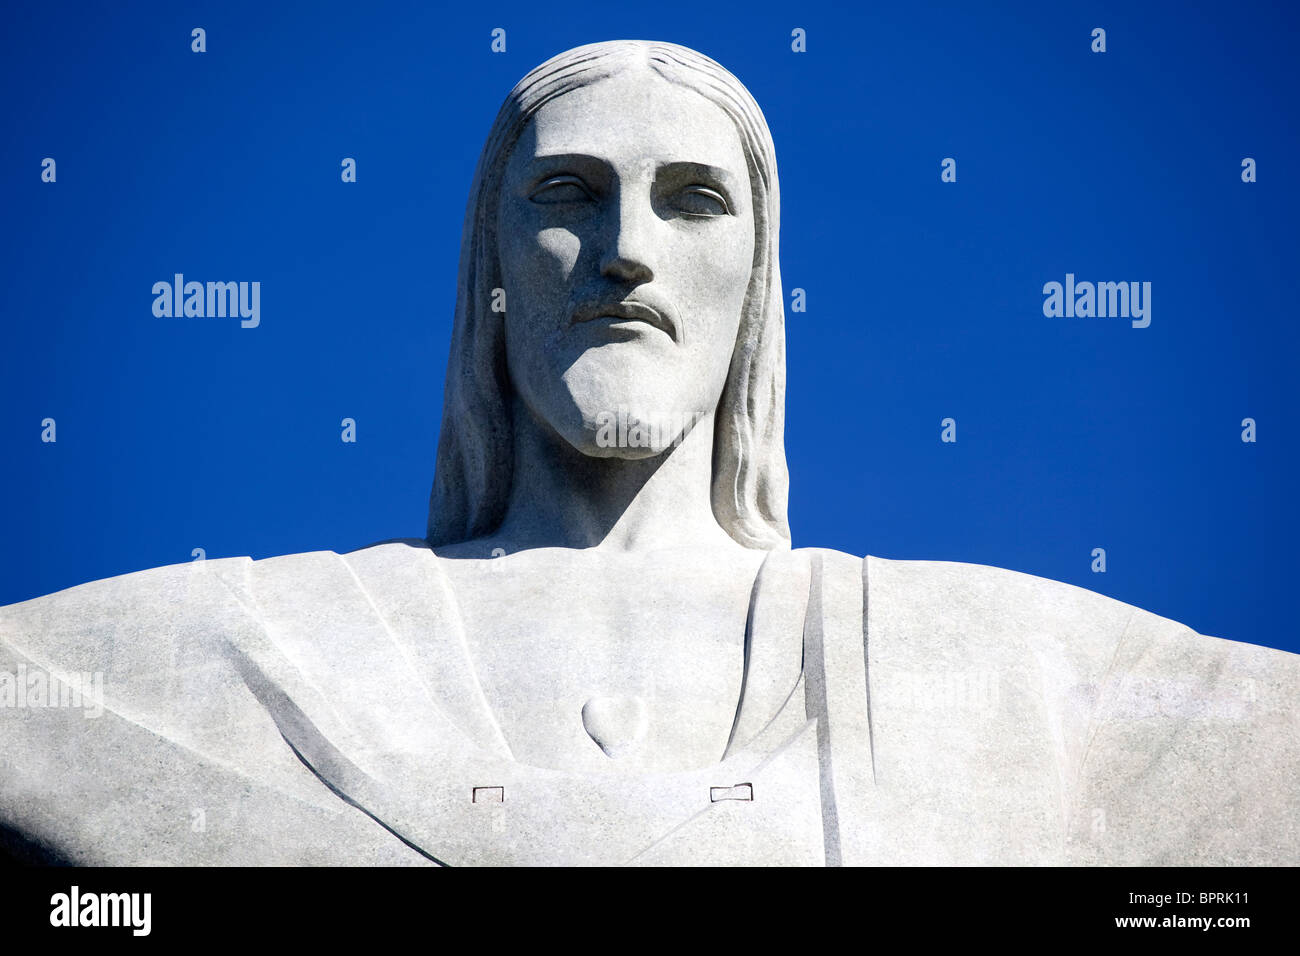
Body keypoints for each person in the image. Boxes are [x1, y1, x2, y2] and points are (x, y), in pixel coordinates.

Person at [1, 40, 1296, 866]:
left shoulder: (956, 653)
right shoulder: (265, 640)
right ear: (490, 268)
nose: (627, 249)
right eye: (567, 194)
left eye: (694, 201)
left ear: (756, 287)